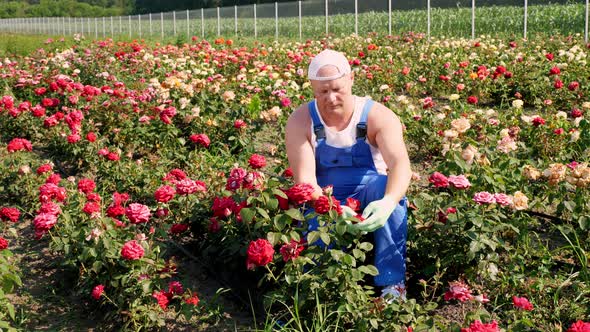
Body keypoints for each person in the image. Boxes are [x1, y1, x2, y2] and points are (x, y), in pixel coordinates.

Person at [285, 49, 412, 299]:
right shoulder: (301, 120)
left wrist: (387, 202)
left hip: (368, 194)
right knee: (316, 236)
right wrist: (330, 207)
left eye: (337, 89)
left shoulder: (377, 116)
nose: (331, 98)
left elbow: (400, 164)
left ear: (351, 80)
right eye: (323, 91)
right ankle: (325, 288)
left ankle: (392, 284)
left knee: (391, 194)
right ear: (312, 88)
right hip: (323, 200)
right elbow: (306, 181)